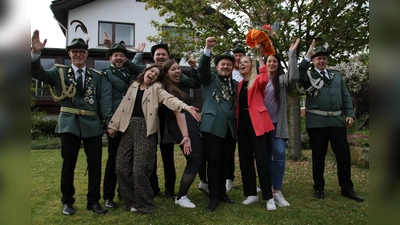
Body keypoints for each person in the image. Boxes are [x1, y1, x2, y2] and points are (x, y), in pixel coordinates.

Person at [31, 30, 112, 215]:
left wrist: (107, 122)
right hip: (69, 123)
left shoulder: (97, 76)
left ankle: (93, 201)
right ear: (69, 54)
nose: (78, 54)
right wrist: (35, 54)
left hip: (92, 124)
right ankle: (67, 201)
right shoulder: (58, 72)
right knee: (68, 164)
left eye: (82, 51)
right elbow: (38, 73)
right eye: (74, 51)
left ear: (86, 54)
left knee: (95, 165)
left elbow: (103, 100)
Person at [107, 64, 201, 214]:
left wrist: (185, 106)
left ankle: (145, 204)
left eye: (156, 74)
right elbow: (123, 106)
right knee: (121, 168)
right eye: (151, 71)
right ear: (145, 71)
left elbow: (169, 99)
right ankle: (130, 201)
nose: (152, 74)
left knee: (139, 170)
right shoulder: (134, 85)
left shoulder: (156, 88)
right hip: (127, 128)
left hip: (146, 130)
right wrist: (113, 125)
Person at [125, 40, 201, 198]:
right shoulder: (149, 71)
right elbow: (131, 67)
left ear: (167, 57)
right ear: (153, 56)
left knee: (168, 158)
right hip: (150, 121)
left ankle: (169, 190)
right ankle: (152, 188)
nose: (160, 57)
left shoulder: (173, 73)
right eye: (157, 54)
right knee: (149, 157)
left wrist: (194, 67)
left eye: (163, 54)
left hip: (170, 121)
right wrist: (138, 54)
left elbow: (194, 82)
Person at [298, 39, 364, 202]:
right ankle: (319, 188)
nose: (321, 61)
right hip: (317, 122)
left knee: (343, 155)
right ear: (313, 61)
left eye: (324, 58)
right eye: (318, 58)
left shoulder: (336, 75)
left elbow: (345, 96)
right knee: (318, 156)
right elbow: (298, 75)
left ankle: (347, 188)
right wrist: (307, 55)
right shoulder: (307, 76)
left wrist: (349, 113)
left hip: (336, 121)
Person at [195, 37, 237, 211]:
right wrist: (207, 50)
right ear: (217, 66)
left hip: (229, 128)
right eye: (222, 64)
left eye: (229, 65)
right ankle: (213, 197)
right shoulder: (209, 79)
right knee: (213, 161)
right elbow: (202, 68)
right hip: (211, 127)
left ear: (232, 68)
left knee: (225, 163)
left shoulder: (235, 84)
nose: (225, 67)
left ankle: (222, 193)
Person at [235, 44, 276, 211]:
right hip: (243, 123)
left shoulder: (258, 80)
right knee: (245, 160)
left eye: (245, 62)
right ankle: (251, 194)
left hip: (257, 122)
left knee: (262, 159)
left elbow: (265, 76)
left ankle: (268, 197)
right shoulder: (239, 84)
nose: (242, 64)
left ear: (251, 65)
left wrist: (260, 56)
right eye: (240, 62)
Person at [160, 59, 203, 208]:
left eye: (178, 68)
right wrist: (185, 136)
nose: (177, 71)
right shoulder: (167, 90)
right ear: (166, 73)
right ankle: (181, 196)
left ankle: (204, 183)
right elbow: (178, 113)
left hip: (188, 123)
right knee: (194, 158)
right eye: (173, 69)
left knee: (198, 155)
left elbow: (195, 82)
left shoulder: (177, 86)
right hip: (180, 125)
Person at [264, 38, 300, 207]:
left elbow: (294, 76)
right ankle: (266, 190)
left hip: (277, 126)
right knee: (263, 158)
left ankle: (276, 190)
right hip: (262, 126)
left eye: (275, 61)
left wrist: (292, 54)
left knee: (279, 155)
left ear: (278, 64)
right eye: (269, 61)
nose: (272, 63)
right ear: (266, 63)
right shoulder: (260, 79)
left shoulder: (283, 81)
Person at [101, 42, 135, 209]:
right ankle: (108, 196)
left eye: (122, 55)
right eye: (116, 55)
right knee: (113, 160)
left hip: (129, 121)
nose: (119, 58)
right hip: (115, 123)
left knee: (127, 159)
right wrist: (110, 124)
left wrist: (140, 54)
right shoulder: (107, 74)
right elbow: (106, 100)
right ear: (110, 58)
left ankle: (124, 192)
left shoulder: (128, 72)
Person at [224, 43, 246, 193]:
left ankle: (249, 180)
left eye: (240, 55)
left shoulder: (249, 72)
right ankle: (228, 178)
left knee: (247, 150)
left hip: (244, 115)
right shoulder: (228, 73)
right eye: (236, 55)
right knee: (229, 149)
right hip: (230, 116)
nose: (238, 58)